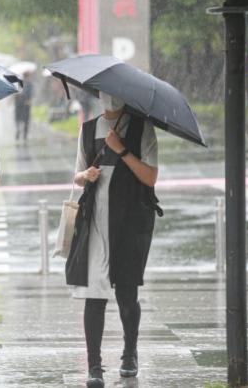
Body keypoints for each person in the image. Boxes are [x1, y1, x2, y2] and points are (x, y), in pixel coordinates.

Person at [68, 93, 161, 388]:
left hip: (129, 221)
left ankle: (130, 353)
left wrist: (121, 150)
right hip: (94, 220)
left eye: (116, 95)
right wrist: (86, 174)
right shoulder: (87, 129)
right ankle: (94, 366)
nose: (110, 99)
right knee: (93, 295)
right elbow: (77, 176)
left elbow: (150, 177)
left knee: (126, 293)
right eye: (105, 94)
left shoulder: (141, 128)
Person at [14, 71, 34, 141]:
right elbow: (31, 94)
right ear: (28, 76)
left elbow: (15, 93)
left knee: (18, 119)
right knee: (25, 119)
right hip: (25, 104)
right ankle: (23, 133)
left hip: (19, 104)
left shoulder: (19, 83)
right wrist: (29, 100)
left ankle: (19, 131)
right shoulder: (29, 84)